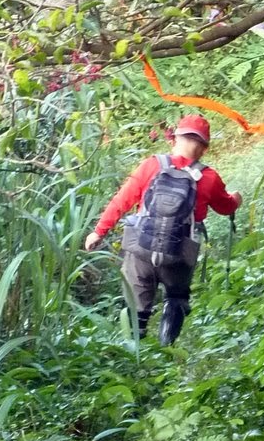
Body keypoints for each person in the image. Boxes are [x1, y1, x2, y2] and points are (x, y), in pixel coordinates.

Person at [84, 114, 241, 345]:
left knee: (136, 304)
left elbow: (122, 201)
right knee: (176, 297)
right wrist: (236, 199)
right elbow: (226, 207)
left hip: (140, 247)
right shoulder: (209, 178)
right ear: (204, 148)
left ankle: (133, 350)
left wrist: (98, 231)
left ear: (174, 139)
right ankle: (167, 346)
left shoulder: (151, 165)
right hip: (179, 252)